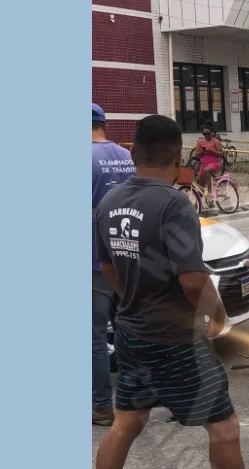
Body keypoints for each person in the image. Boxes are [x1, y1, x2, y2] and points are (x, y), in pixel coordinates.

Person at [91, 114, 249, 469]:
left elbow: (107, 265)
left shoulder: (109, 201)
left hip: (130, 332)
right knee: (223, 426)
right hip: (174, 337)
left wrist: (131, 297)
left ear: (132, 150)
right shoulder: (174, 204)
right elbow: (192, 278)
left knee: (126, 421)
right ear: (177, 155)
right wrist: (218, 316)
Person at [91, 104, 135, 426]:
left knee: (93, 337)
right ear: (104, 124)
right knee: (128, 328)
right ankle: (137, 398)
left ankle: (102, 407)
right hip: (127, 254)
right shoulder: (126, 156)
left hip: (93, 259)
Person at [194, 125, 223, 201]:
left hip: (214, 163)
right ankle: (197, 205)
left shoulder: (215, 141)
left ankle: (210, 191)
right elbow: (196, 153)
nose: (206, 135)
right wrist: (201, 151)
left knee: (207, 170)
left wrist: (212, 152)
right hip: (203, 164)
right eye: (204, 134)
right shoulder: (200, 142)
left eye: (208, 133)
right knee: (201, 187)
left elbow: (221, 153)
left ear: (211, 133)